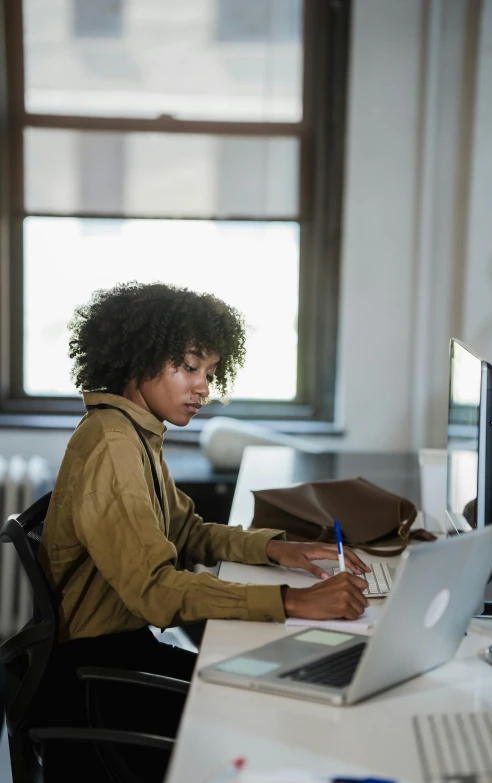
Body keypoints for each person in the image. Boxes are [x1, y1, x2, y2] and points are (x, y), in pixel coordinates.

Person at [35, 282, 370, 781]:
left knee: (273, 687)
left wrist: (278, 548)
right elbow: (155, 591)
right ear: (138, 360)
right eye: (189, 368)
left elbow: (186, 531)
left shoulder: (133, 431)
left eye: (209, 373)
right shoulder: (114, 447)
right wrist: (293, 602)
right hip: (91, 683)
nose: (203, 389)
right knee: (271, 711)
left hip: (116, 655)